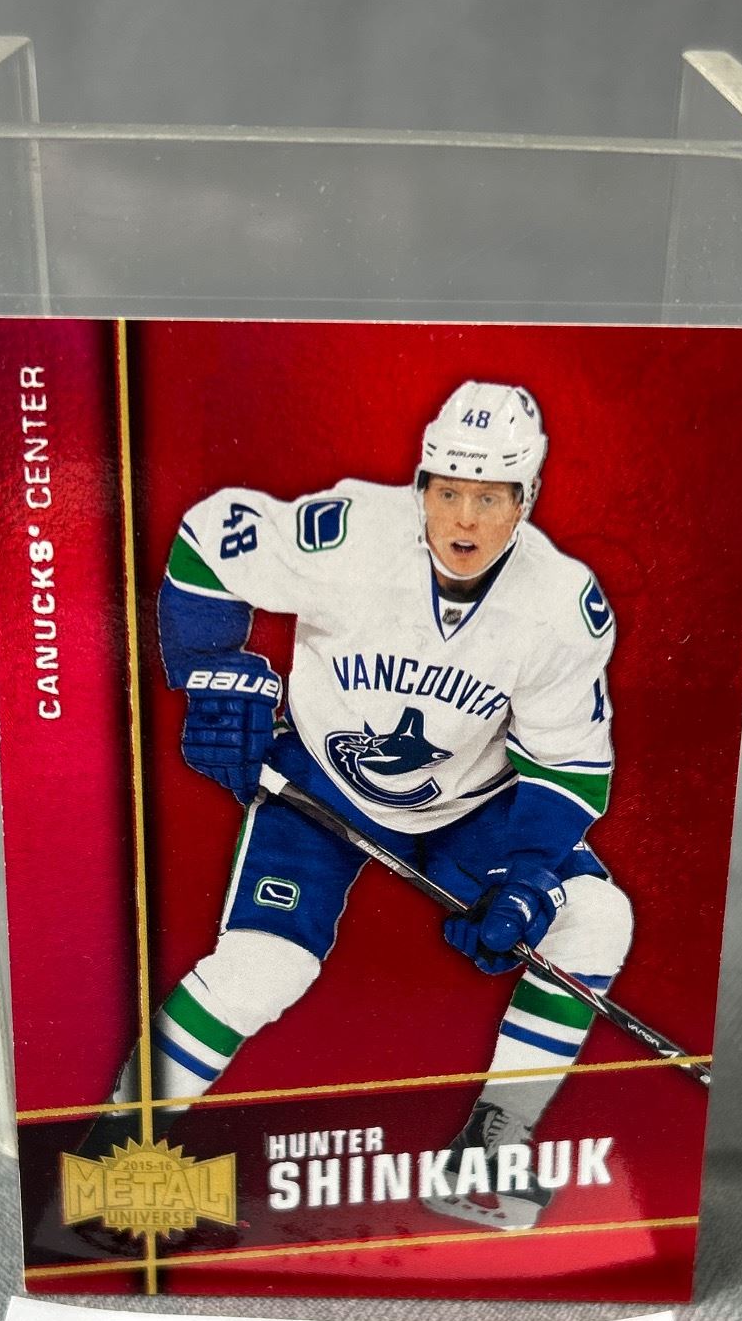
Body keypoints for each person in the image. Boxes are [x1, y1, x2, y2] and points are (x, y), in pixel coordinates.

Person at [99, 381, 633, 1231]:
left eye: (489, 498)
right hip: (318, 778)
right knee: (263, 966)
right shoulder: (351, 534)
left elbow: (568, 766)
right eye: (447, 492)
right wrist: (205, 672)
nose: (463, 520)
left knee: (596, 917)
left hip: (471, 808)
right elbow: (209, 537)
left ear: (526, 499)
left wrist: (527, 875)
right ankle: (116, 1149)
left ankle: (491, 1151)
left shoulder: (562, 608)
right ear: (421, 485)